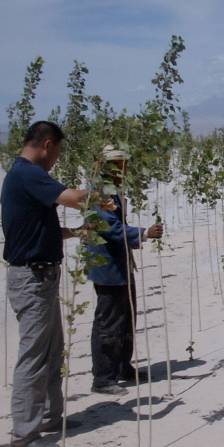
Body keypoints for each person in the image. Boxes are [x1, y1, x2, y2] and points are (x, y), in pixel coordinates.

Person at [1, 121, 105, 447]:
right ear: (48, 145)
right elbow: (74, 198)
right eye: (58, 152)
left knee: (51, 351)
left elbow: (38, 229)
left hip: (42, 277)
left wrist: (74, 232)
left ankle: (48, 416)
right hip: (30, 278)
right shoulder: (28, 173)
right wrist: (104, 196)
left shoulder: (24, 176)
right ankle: (24, 432)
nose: (56, 159)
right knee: (34, 355)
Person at [88, 147, 163, 396]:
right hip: (107, 267)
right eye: (119, 165)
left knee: (127, 318)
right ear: (107, 166)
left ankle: (122, 367)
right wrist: (144, 233)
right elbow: (109, 227)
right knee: (109, 322)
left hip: (120, 264)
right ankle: (103, 378)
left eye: (125, 164)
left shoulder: (113, 191)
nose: (124, 170)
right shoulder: (100, 192)